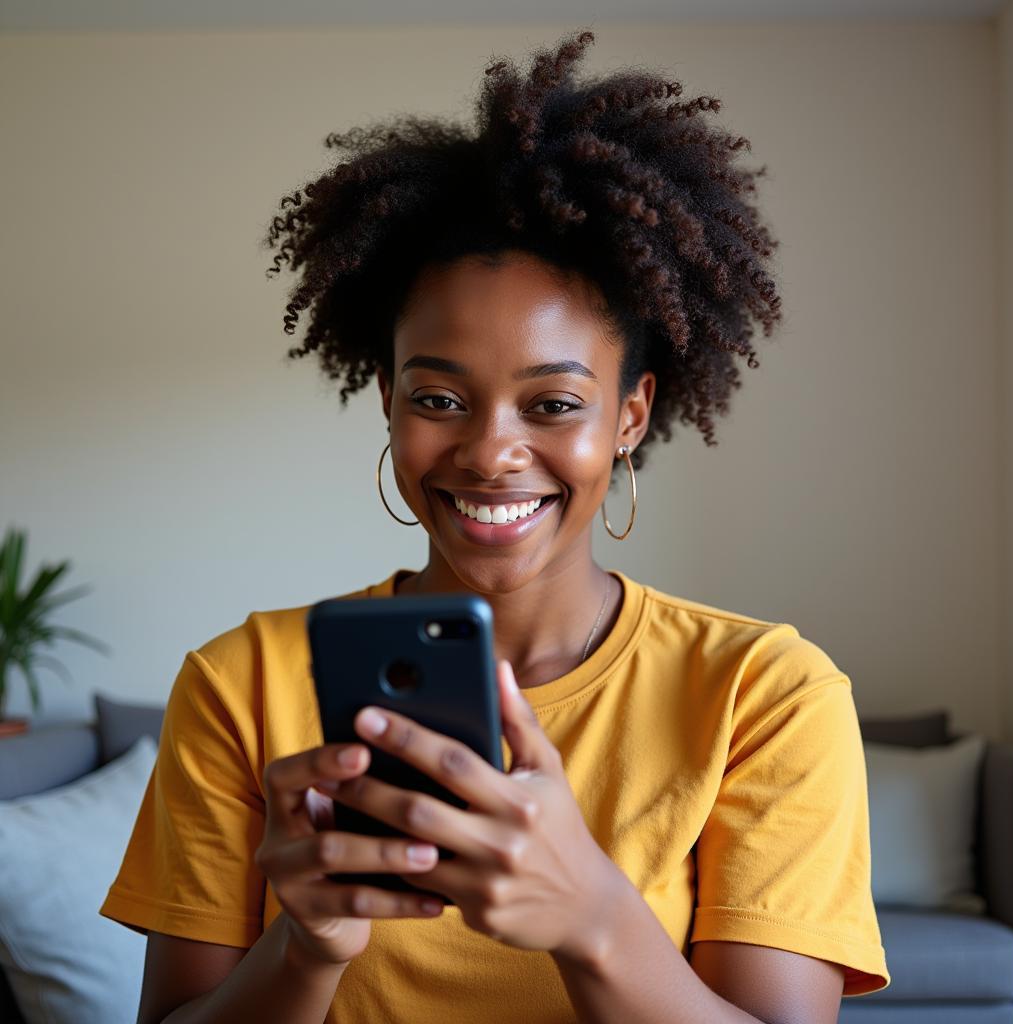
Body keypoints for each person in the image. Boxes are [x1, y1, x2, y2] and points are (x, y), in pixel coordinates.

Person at [100, 28, 890, 1024]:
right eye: (439, 398)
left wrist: (592, 915)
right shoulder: (240, 682)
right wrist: (306, 950)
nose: (488, 451)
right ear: (387, 400)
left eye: (553, 404)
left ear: (629, 416)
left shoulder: (765, 694)